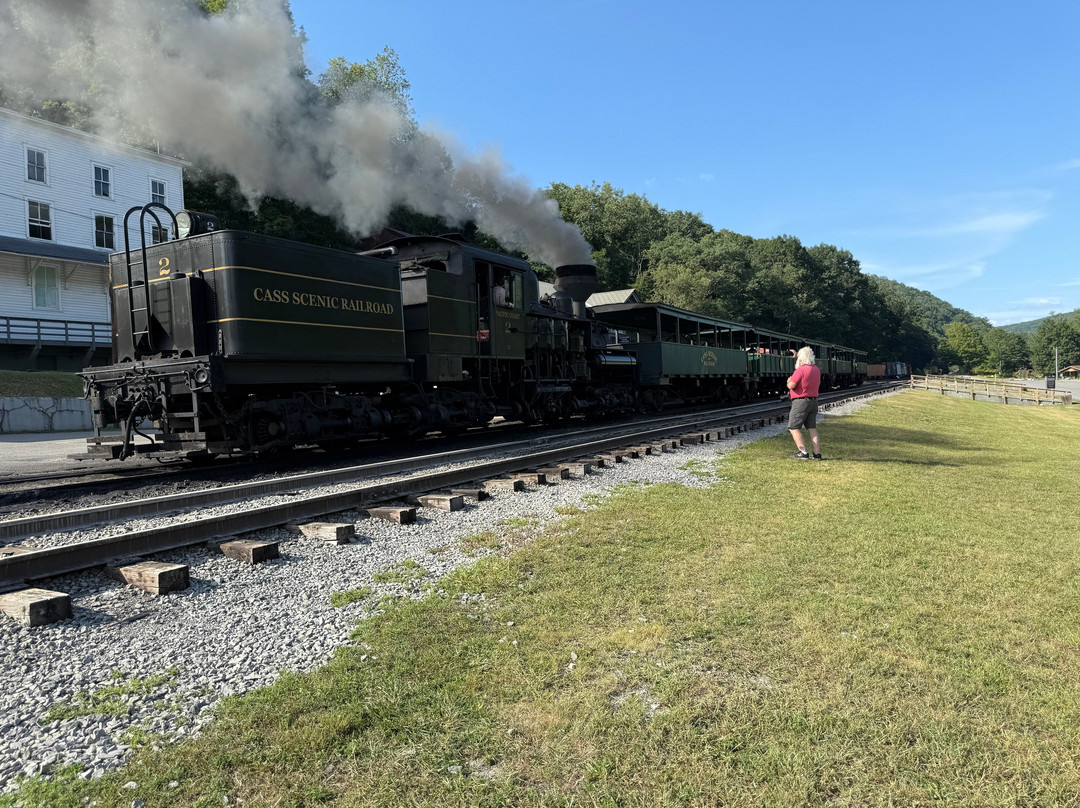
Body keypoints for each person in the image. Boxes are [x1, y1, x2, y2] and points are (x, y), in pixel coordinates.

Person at [787, 346, 822, 460]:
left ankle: (803, 452)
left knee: (793, 427)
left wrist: (789, 380)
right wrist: (796, 354)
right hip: (813, 401)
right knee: (812, 428)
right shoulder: (816, 369)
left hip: (801, 402)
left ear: (800, 359)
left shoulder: (800, 370)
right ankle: (817, 454)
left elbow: (791, 385)